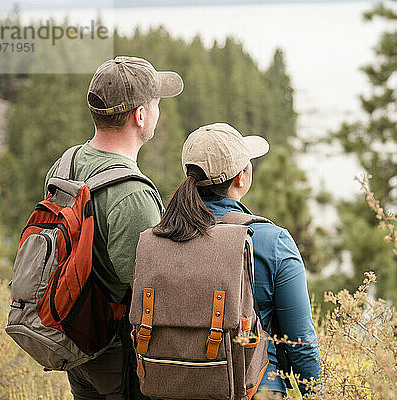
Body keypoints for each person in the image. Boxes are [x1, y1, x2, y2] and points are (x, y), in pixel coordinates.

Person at [43, 56, 183, 400]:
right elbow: (147, 291)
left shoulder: (67, 162)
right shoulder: (133, 195)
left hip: (77, 339)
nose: (157, 112)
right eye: (155, 104)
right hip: (116, 353)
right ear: (140, 115)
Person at [153, 123, 322, 398]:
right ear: (241, 179)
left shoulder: (161, 236)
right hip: (255, 389)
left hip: (172, 389)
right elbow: (300, 342)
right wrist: (314, 394)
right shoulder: (272, 242)